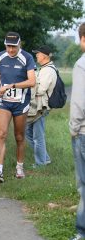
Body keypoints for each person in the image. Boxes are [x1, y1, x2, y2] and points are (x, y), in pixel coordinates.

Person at [0, 32, 36, 183]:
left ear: (19, 45)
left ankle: (19, 166)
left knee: (19, 136)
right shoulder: (0, 57)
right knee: (1, 134)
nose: (10, 50)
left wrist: (12, 85)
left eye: (13, 47)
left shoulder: (27, 57)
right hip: (4, 102)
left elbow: (31, 81)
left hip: (21, 102)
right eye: (8, 46)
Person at [26, 45, 57, 167]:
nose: (36, 55)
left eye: (38, 53)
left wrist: (30, 84)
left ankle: (41, 163)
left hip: (41, 107)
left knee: (38, 137)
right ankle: (45, 158)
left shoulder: (48, 70)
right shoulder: (44, 68)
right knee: (28, 133)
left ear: (44, 55)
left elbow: (40, 90)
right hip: (36, 106)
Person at [69, 22, 85, 240]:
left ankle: (82, 230)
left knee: (84, 183)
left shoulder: (82, 64)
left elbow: (80, 102)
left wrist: (73, 127)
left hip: (83, 132)